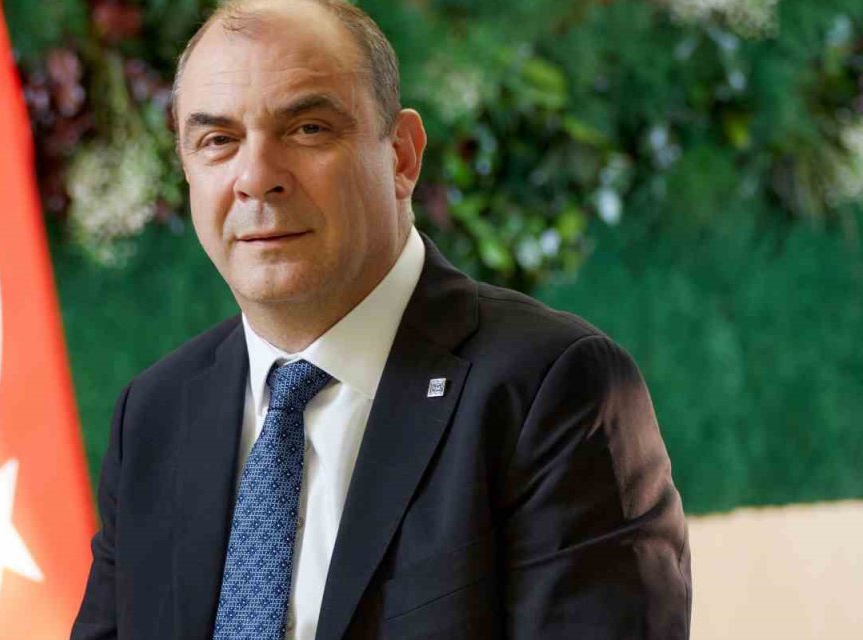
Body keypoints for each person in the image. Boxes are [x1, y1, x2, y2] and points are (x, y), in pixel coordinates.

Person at [71, 0, 691, 638]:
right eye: (218, 141)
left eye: (307, 129)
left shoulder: (549, 390)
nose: (256, 178)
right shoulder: (154, 415)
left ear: (401, 156)